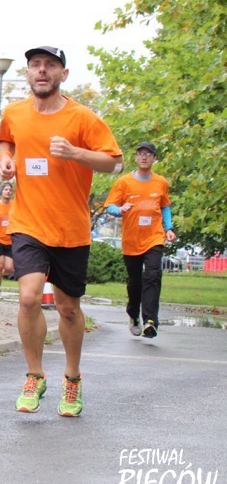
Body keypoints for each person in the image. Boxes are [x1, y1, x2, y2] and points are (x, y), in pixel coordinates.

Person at [0, 46, 122, 417]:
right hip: (28, 223)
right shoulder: (14, 112)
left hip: (69, 229)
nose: (41, 70)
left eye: (50, 65)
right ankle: (34, 375)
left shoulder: (82, 117)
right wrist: (6, 159)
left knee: (68, 309)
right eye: (35, 65)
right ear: (27, 73)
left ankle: (72, 378)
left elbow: (115, 163)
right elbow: (6, 140)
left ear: (63, 75)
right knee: (28, 298)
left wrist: (76, 153)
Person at [104, 141, 175, 338]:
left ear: (154, 158)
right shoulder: (124, 182)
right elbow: (110, 206)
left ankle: (150, 321)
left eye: (148, 154)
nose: (144, 157)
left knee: (153, 276)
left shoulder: (160, 182)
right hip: (132, 240)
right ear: (136, 158)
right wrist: (120, 210)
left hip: (154, 237)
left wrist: (168, 228)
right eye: (141, 154)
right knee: (135, 282)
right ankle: (133, 315)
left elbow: (165, 206)